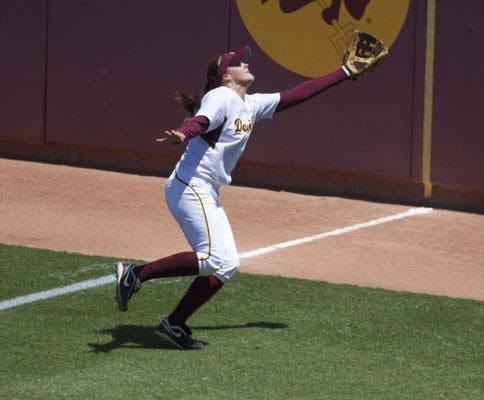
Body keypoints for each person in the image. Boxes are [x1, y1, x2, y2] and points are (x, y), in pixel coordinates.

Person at [115, 45, 376, 350]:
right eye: (238, 63)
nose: (246, 63)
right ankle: (135, 274)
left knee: (226, 265)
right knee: (212, 257)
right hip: (190, 186)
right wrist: (183, 134)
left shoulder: (250, 104)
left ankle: (174, 324)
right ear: (225, 76)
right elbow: (201, 120)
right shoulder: (220, 97)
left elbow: (297, 95)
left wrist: (343, 73)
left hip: (205, 191)